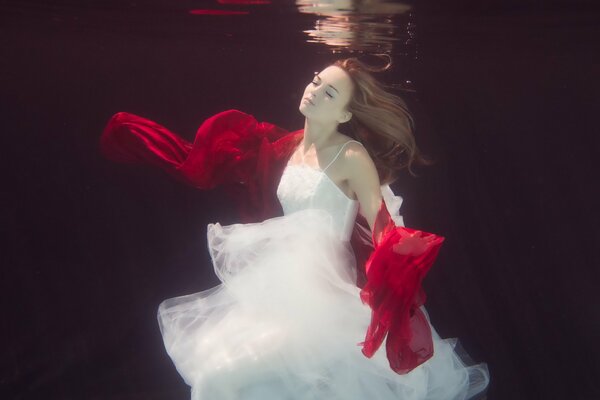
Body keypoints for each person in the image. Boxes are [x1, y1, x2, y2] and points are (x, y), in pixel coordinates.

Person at [100, 58, 490, 399]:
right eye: (317, 81)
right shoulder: (290, 145)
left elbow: (380, 223)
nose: (315, 92)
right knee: (220, 376)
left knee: (222, 377)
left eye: (330, 93)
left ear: (344, 116)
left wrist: (400, 268)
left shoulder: (351, 156)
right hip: (277, 289)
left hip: (321, 300)